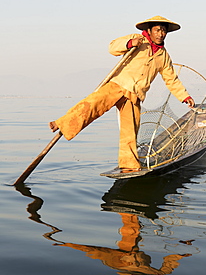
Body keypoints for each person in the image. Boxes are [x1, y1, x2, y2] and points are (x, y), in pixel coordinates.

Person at [49, 15, 195, 172]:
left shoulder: (163, 55)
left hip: (135, 95)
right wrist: (130, 44)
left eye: (164, 31)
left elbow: (171, 79)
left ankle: (129, 166)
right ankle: (62, 123)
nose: (161, 34)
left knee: (130, 131)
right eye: (157, 30)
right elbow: (112, 47)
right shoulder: (138, 39)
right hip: (118, 85)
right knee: (91, 105)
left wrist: (184, 97)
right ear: (149, 31)